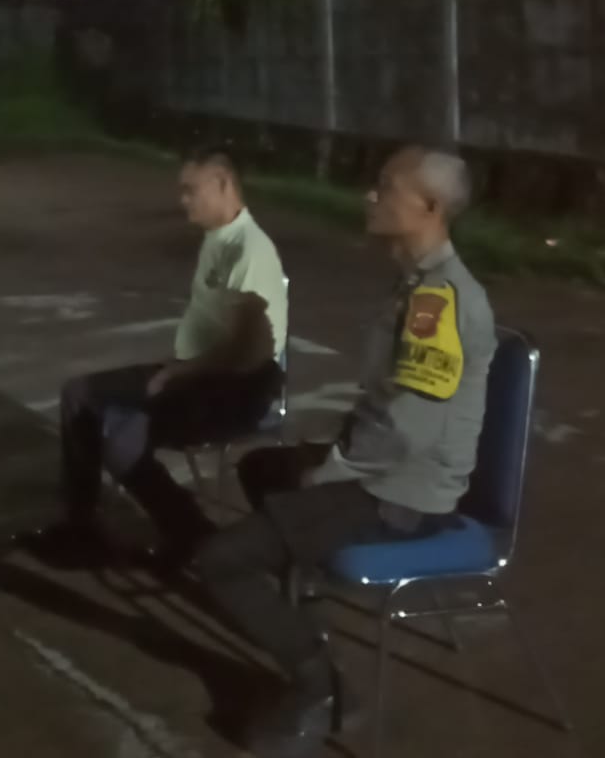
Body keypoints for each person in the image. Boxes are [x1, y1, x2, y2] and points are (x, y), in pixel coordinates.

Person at [194, 146, 496, 756]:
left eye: (385, 187)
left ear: (429, 206)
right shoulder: (415, 283)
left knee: (220, 561)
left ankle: (320, 688)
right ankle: (307, 609)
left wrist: (331, 470)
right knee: (264, 468)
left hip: (401, 494)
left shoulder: (438, 300)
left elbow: (407, 430)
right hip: (386, 469)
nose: (370, 196)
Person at [21, 147, 289, 573]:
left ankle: (193, 533)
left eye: (191, 190)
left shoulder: (249, 252)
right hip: (202, 376)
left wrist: (178, 372)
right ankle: (82, 526)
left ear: (222, 184)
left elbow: (249, 352)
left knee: (121, 437)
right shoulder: (220, 241)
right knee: (79, 395)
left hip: (237, 391)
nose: (183, 200)